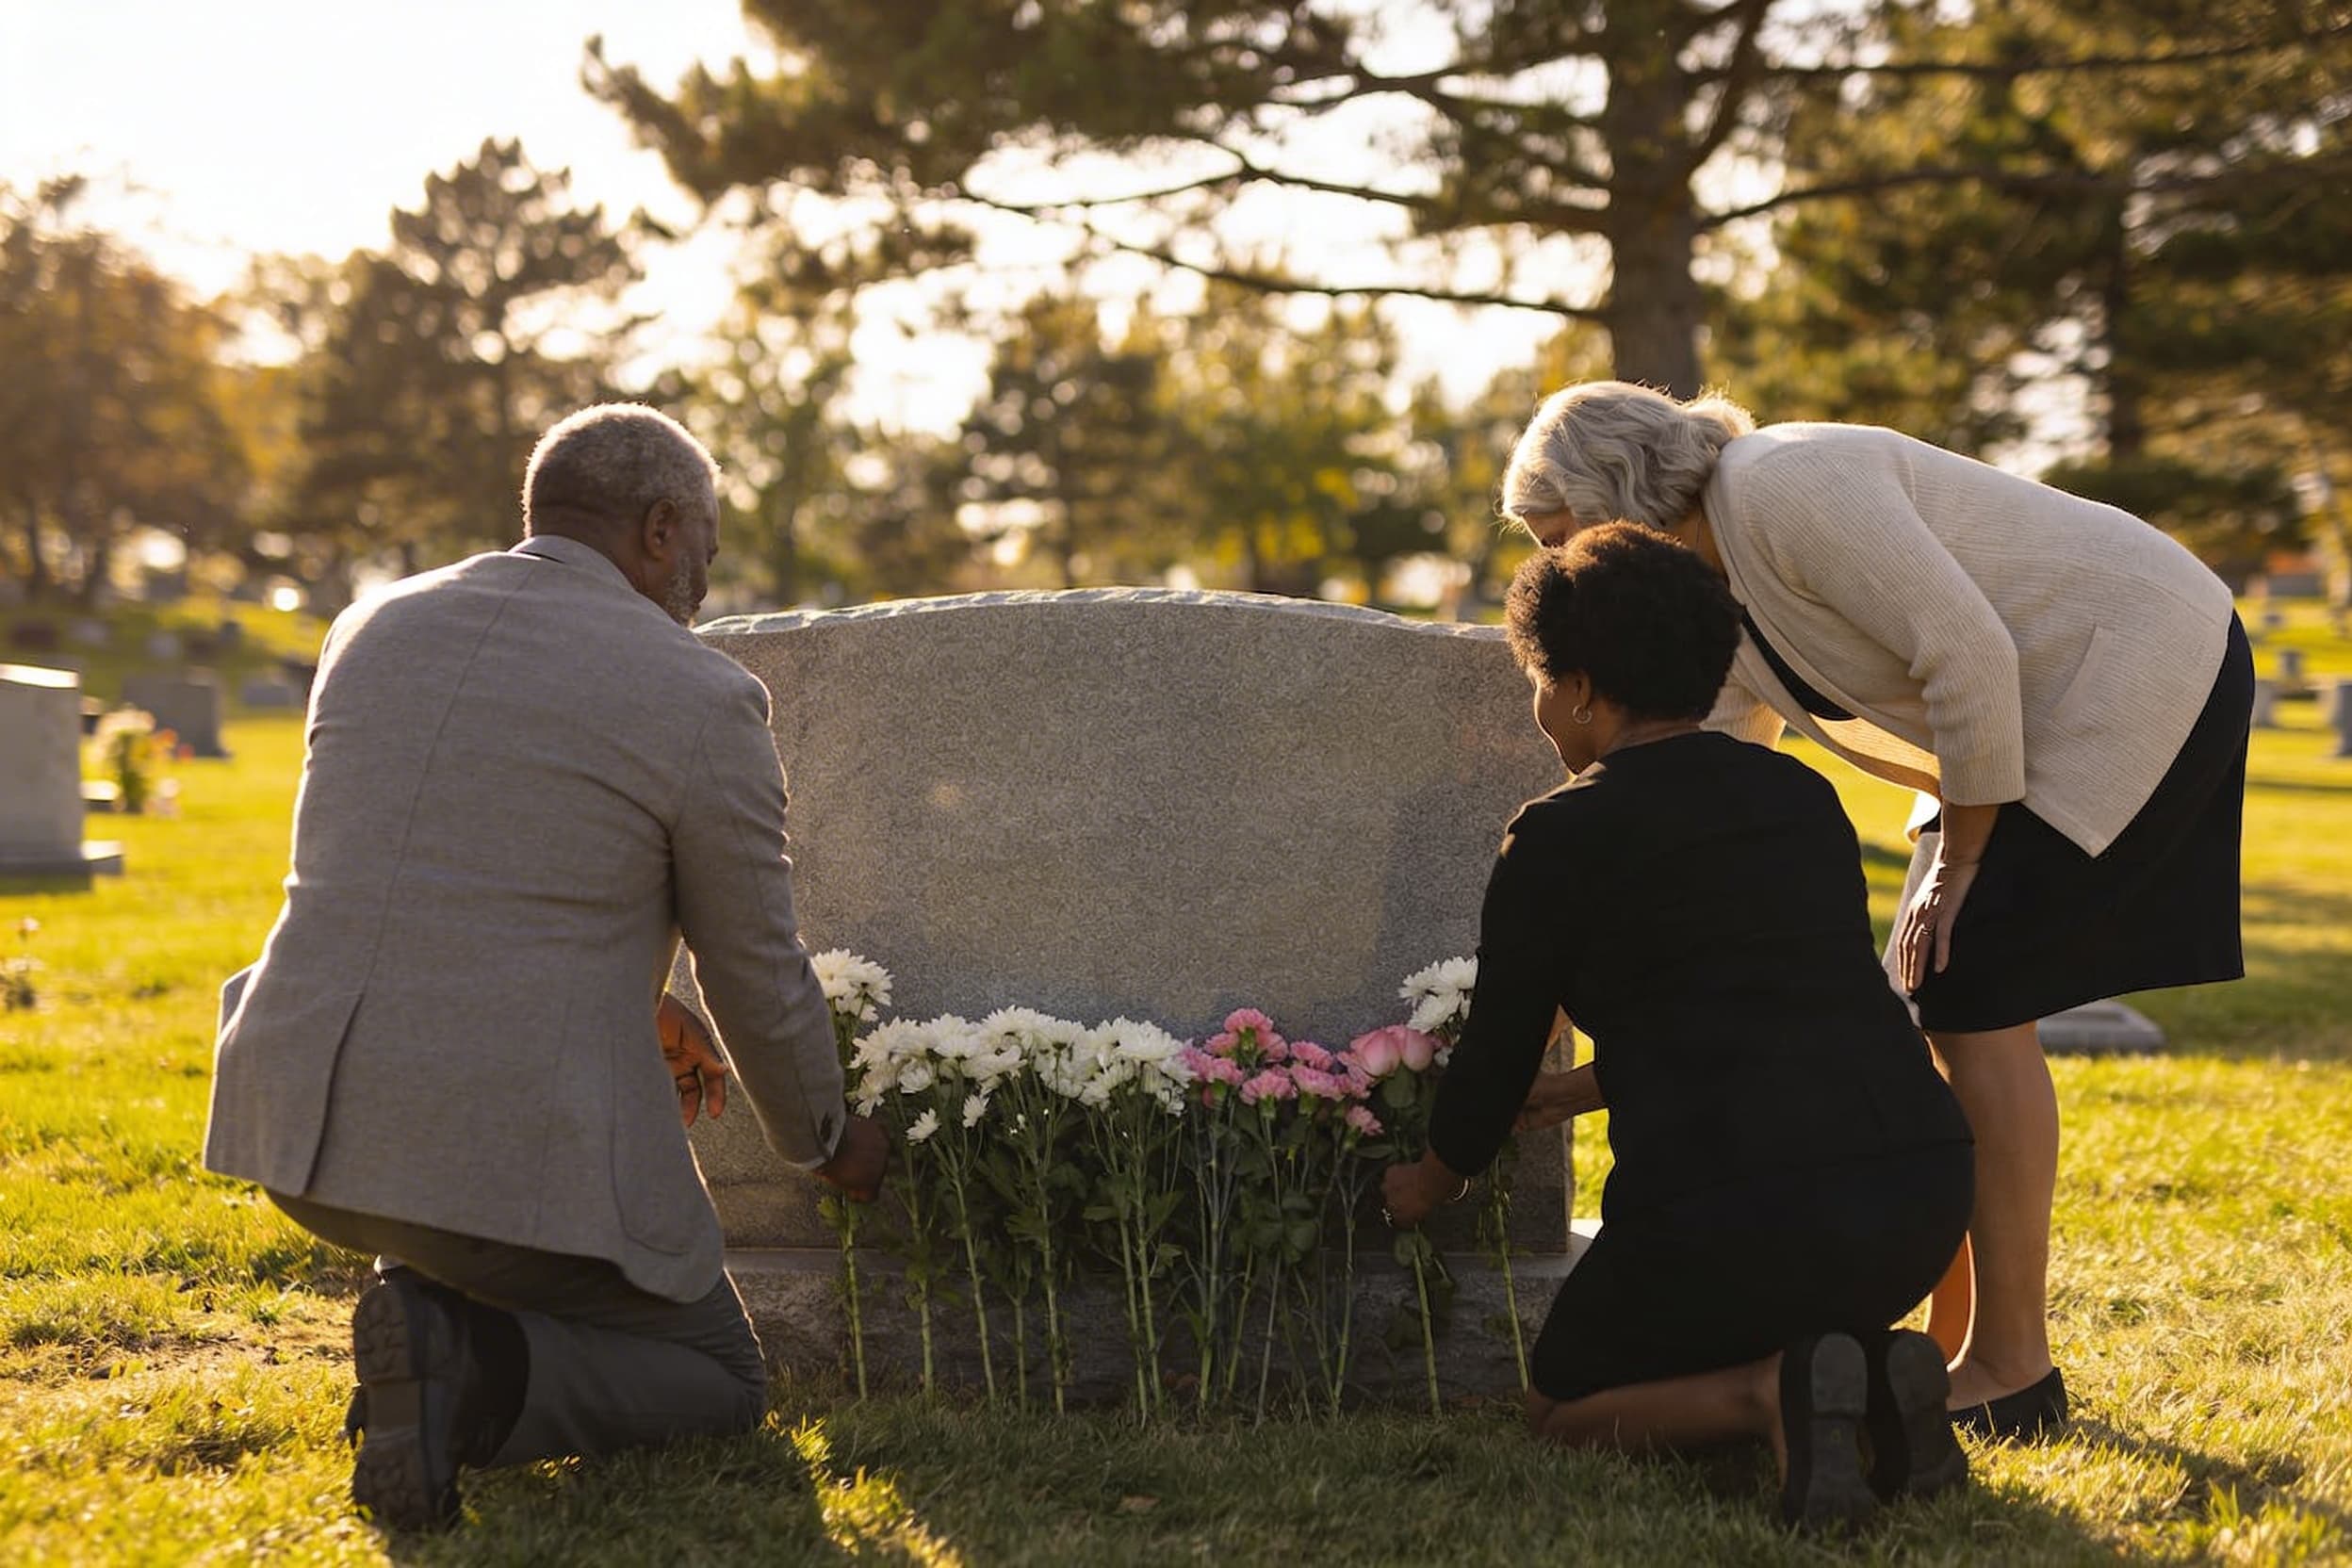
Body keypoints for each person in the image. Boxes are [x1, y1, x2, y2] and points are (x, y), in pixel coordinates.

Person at [1492, 382, 2249, 1439]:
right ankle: (1943, 1350)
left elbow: (1970, 652)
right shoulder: (1704, 579)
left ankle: (2014, 1365)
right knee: (1943, 989)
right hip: (2012, 724)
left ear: (1613, 489)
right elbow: (1693, 758)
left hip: (2127, 660)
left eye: (1556, 533)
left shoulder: (1784, 482)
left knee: (1975, 990)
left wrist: (1958, 859)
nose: (1555, 567)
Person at [203, 403, 889, 1531]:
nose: (705, 592)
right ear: (662, 530)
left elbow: (433, 870)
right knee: (722, 1371)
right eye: (706, 555)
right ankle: (461, 1364)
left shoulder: (372, 627)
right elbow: (756, 968)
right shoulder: (703, 695)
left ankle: (432, 1311)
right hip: (496, 1145)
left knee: (487, 1228)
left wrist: (637, 994)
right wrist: (826, 1140)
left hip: (302, 1132)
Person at [1381, 525, 1976, 1529]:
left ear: (1576, 686)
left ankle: (1771, 1393)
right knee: (1796, 1297)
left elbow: (1499, 1047)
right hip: (1916, 1190)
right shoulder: (1799, 795)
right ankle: (1877, 1374)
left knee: (1560, 1404)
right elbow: (1772, 1000)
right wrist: (1578, 1090)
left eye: (1540, 682)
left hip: (1741, 1212)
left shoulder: (1559, 830)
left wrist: (1429, 1179)